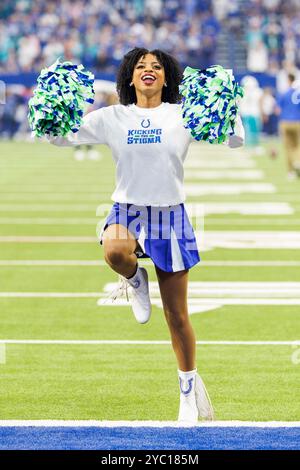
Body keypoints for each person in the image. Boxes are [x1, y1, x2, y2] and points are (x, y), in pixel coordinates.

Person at [47, 47, 245, 424]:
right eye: (141, 67)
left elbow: (234, 139)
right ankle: (134, 278)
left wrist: (227, 105)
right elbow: (61, 138)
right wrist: (54, 108)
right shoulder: (113, 117)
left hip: (170, 214)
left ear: (167, 78)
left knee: (177, 315)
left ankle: (188, 389)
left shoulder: (182, 114)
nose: (148, 71)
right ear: (131, 77)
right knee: (115, 250)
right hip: (128, 209)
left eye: (156, 67)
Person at [277, 73, 300, 180]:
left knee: (288, 148)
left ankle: (290, 172)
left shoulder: (284, 93)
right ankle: (297, 161)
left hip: (285, 122)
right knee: (297, 146)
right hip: (297, 122)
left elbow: (277, 110)